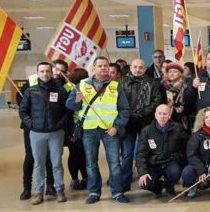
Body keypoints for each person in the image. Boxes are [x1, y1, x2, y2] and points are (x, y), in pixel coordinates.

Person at [66, 57, 132, 204]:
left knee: (114, 162)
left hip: (110, 130)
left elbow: (125, 110)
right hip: (89, 130)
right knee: (91, 163)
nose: (103, 68)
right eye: (100, 65)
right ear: (94, 68)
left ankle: (117, 192)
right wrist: (76, 99)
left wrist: (117, 127)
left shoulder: (115, 86)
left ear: (109, 68)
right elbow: (70, 105)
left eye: (105, 65)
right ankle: (94, 192)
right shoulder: (81, 85)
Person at [20, 62, 72, 204]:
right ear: (38, 73)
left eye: (47, 71)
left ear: (51, 72)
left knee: (56, 163)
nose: (45, 74)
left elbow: (68, 111)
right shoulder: (31, 91)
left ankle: (59, 190)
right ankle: (38, 192)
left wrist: (60, 124)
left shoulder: (60, 90)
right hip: (37, 133)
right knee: (39, 163)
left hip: (56, 133)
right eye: (42, 71)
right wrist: (31, 124)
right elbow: (23, 111)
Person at [118, 58, 163, 193]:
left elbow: (157, 100)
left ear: (145, 69)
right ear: (131, 67)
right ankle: (125, 182)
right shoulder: (122, 82)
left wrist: (142, 113)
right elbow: (118, 101)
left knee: (146, 152)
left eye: (140, 68)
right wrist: (128, 114)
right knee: (126, 154)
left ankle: (148, 179)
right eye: (135, 67)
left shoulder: (152, 83)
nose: (137, 70)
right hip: (127, 123)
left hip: (146, 122)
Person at [136, 104, 188, 198]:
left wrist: (180, 159)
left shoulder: (178, 128)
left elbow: (185, 147)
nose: (162, 116)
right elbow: (141, 153)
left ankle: (170, 187)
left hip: (171, 161)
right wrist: (142, 172)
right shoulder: (146, 131)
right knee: (144, 183)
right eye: (159, 113)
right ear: (155, 115)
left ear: (169, 115)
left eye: (165, 114)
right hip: (154, 163)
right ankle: (158, 188)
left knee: (175, 172)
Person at [66, 68, 89, 191]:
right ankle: (80, 179)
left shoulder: (67, 88)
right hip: (75, 127)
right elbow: (68, 107)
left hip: (78, 127)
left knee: (77, 154)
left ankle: (80, 178)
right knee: (79, 154)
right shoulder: (71, 89)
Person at [163, 63, 192, 132]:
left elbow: (189, 103)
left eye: (175, 71)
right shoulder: (163, 87)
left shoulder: (186, 86)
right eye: (170, 72)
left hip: (182, 118)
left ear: (180, 74)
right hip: (167, 117)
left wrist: (182, 106)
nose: (172, 74)